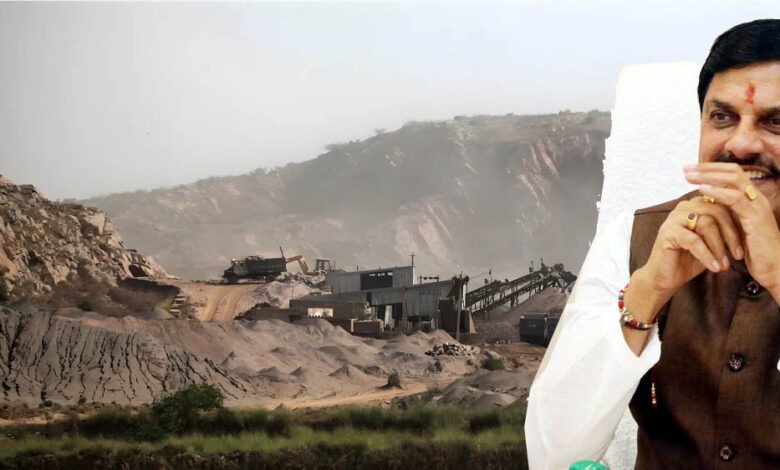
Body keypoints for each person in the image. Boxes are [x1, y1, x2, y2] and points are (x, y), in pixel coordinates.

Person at [525, 19, 780, 470]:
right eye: (722, 117)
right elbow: (552, 453)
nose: (741, 145)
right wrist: (646, 292)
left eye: (775, 121)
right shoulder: (635, 238)